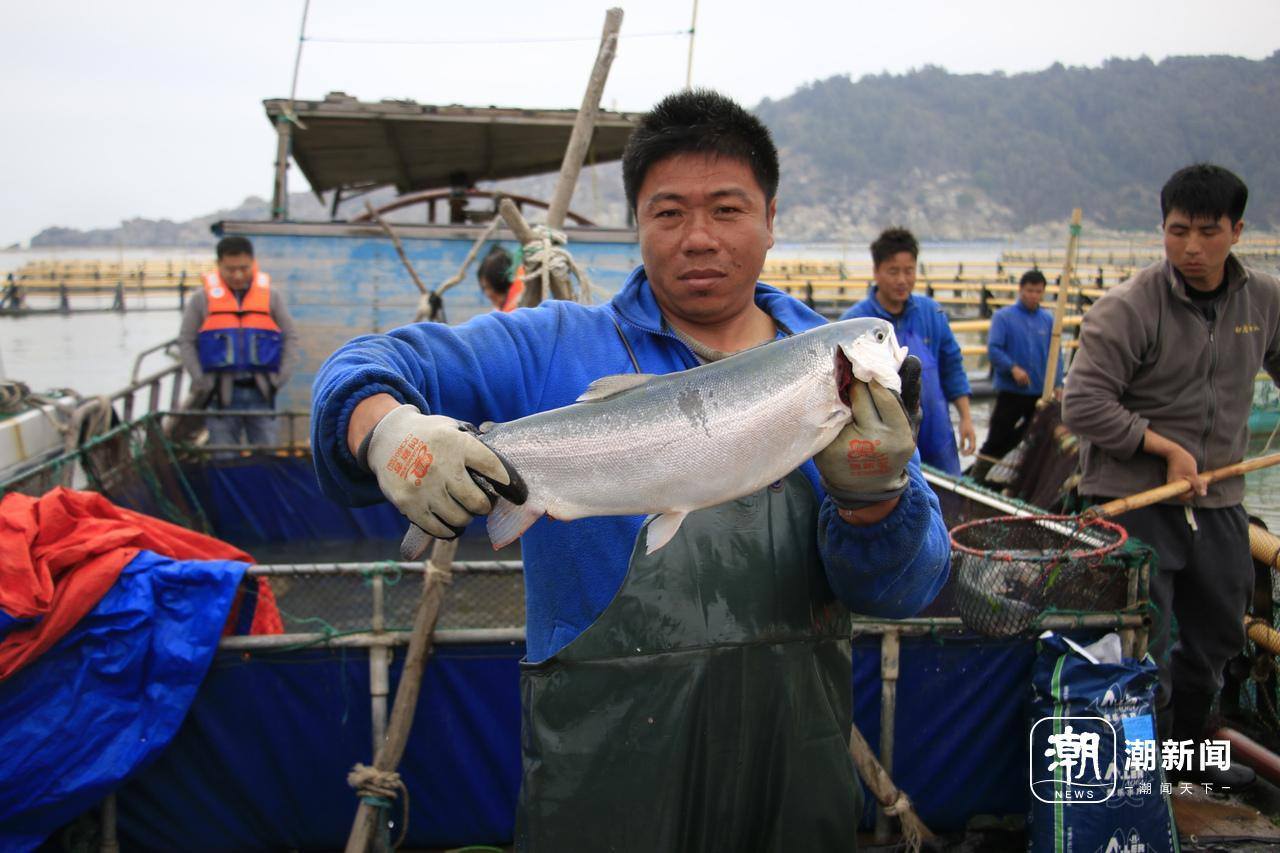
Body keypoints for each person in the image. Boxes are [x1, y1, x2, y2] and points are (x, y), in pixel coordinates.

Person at [311, 89, 950, 850]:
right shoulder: (550, 347)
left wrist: (874, 503)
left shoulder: (831, 364)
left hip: (793, 775)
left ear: (772, 218)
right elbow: (362, 364)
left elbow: (909, 588)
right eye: (669, 212)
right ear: (637, 223)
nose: (699, 238)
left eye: (727, 209)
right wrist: (392, 434)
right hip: (600, 775)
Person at [1063, 163, 1280, 788]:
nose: (1190, 247)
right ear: (1161, 228)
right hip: (1135, 501)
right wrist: (1164, 448)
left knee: (1218, 634)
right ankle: (1143, 771)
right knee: (1141, 642)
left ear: (1238, 230)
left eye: (1207, 231)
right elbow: (1082, 404)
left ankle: (1185, 759)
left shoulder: (1263, 300)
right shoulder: (1128, 308)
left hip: (1219, 500)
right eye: (1177, 230)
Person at [841, 228, 975, 474]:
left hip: (937, 438)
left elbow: (952, 367)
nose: (902, 280)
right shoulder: (855, 322)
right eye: (893, 271)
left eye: (909, 271)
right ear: (876, 272)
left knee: (946, 504)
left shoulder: (932, 313)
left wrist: (966, 417)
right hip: (882, 444)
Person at [178, 236, 298, 449]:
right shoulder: (201, 299)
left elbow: (290, 336)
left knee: (266, 456)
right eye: (230, 269)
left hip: (261, 394)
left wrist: (280, 378)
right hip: (219, 396)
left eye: (244, 268)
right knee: (224, 456)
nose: (238, 275)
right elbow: (186, 341)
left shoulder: (271, 297)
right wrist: (201, 380)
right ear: (219, 266)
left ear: (253, 263)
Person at [970, 270, 1062, 484]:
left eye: (1038, 292)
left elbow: (1056, 355)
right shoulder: (1003, 317)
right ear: (1021, 290)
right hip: (1011, 390)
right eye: (1030, 291)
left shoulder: (1048, 320)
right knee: (997, 437)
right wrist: (1013, 369)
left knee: (1033, 437)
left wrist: (1057, 383)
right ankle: (978, 476)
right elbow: (994, 349)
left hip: (1039, 391)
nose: (1033, 296)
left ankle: (1017, 478)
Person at [477, 245, 526, 312]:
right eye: (484, 288)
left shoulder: (521, 299)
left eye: (489, 287)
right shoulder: (502, 308)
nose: (487, 293)